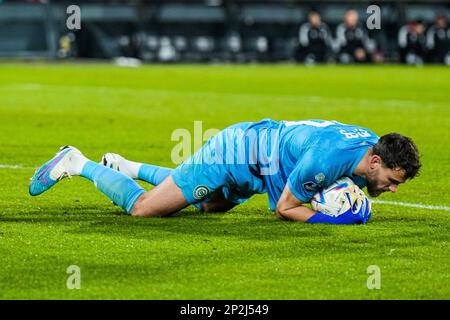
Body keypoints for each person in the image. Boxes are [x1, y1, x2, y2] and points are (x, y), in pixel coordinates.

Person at [29, 119, 421, 225]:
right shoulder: (327, 160)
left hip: (257, 165)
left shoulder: (369, 143)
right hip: (234, 155)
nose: (392, 188)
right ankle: (77, 162)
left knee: (208, 207)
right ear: (375, 162)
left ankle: (128, 166)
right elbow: (285, 208)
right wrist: (335, 220)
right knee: (145, 209)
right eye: (392, 180)